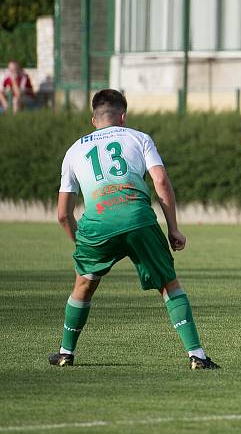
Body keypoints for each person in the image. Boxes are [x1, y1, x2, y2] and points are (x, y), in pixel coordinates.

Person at [50, 89, 218, 369]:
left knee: (84, 284)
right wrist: (173, 228)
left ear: (93, 119)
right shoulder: (138, 138)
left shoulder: (74, 150)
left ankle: (66, 352)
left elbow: (62, 214)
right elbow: (161, 182)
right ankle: (197, 355)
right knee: (168, 284)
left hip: (97, 225)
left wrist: (80, 242)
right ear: (123, 116)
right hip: (138, 217)